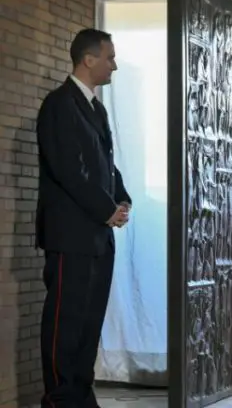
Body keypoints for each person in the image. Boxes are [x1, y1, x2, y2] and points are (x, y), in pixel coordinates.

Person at [36, 28, 131, 407]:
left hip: (97, 235)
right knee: (66, 321)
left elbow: (105, 164)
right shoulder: (59, 104)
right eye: (109, 57)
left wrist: (121, 198)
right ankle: (60, 398)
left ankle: (80, 392)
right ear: (88, 59)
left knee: (89, 321)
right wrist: (106, 208)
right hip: (70, 235)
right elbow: (68, 170)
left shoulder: (95, 106)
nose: (114, 64)